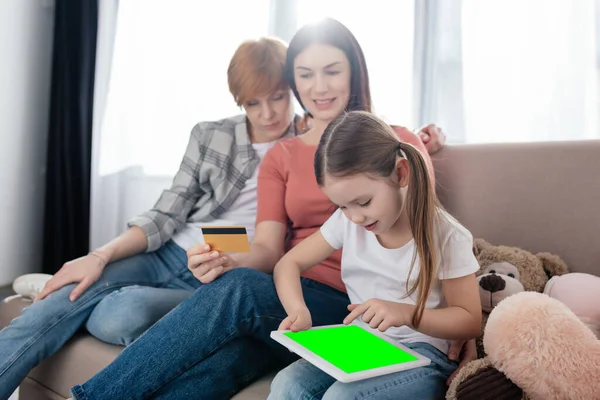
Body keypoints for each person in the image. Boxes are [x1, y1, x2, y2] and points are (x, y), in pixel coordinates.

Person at [67, 18, 452, 400]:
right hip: (289, 300)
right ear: (293, 82)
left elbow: (426, 234)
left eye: (332, 71)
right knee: (224, 362)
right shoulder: (281, 155)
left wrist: (454, 324)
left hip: (358, 307)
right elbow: (268, 249)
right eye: (305, 75)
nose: (319, 87)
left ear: (355, 71)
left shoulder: (398, 142)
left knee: (238, 291)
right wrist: (228, 263)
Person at [0, 36, 307, 400]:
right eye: (254, 103)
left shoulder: (308, 143)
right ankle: (77, 289)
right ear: (240, 101)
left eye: (278, 97)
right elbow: (166, 212)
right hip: (171, 251)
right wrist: (98, 256)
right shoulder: (211, 135)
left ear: (293, 90)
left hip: (221, 274)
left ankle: (98, 295)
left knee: (118, 316)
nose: (268, 114)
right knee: (57, 304)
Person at [268, 110, 482, 399]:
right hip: (362, 345)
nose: (355, 217)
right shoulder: (348, 222)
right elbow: (288, 264)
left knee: (341, 398)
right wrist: (298, 311)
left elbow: (469, 320)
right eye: (342, 206)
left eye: (363, 202)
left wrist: (405, 314)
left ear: (400, 173)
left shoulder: (446, 235)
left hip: (423, 352)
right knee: (287, 384)